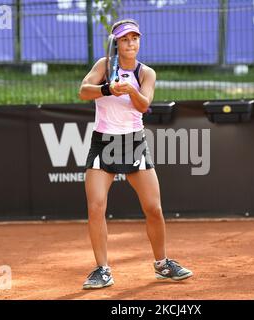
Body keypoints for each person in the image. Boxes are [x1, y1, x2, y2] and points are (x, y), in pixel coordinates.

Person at [78, 19, 193, 289]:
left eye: (135, 38)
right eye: (125, 39)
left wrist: (129, 89)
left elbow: (144, 105)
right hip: (103, 142)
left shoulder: (146, 73)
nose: (131, 43)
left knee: (153, 208)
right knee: (96, 207)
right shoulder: (103, 65)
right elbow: (83, 91)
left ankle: (163, 264)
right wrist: (107, 88)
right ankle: (102, 269)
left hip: (134, 143)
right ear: (117, 43)